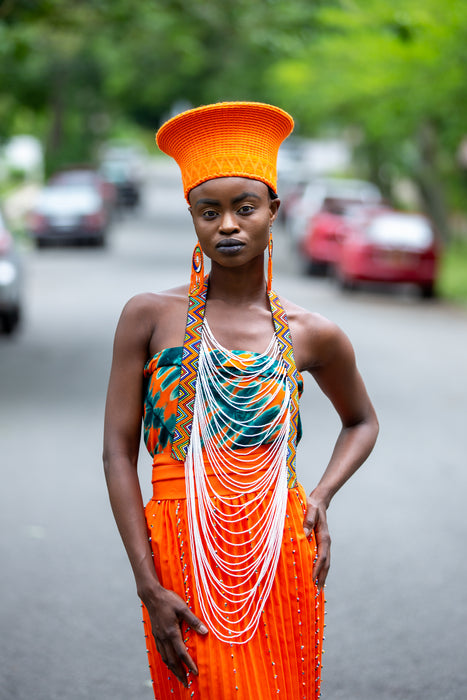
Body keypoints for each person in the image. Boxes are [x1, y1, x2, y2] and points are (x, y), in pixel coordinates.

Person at [103, 101, 379, 700]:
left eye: (244, 208)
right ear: (193, 219)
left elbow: (361, 421)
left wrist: (323, 496)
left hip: (279, 551)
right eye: (210, 211)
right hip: (180, 553)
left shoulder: (310, 333)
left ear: (273, 213)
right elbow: (118, 455)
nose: (227, 224)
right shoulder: (148, 317)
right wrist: (148, 586)